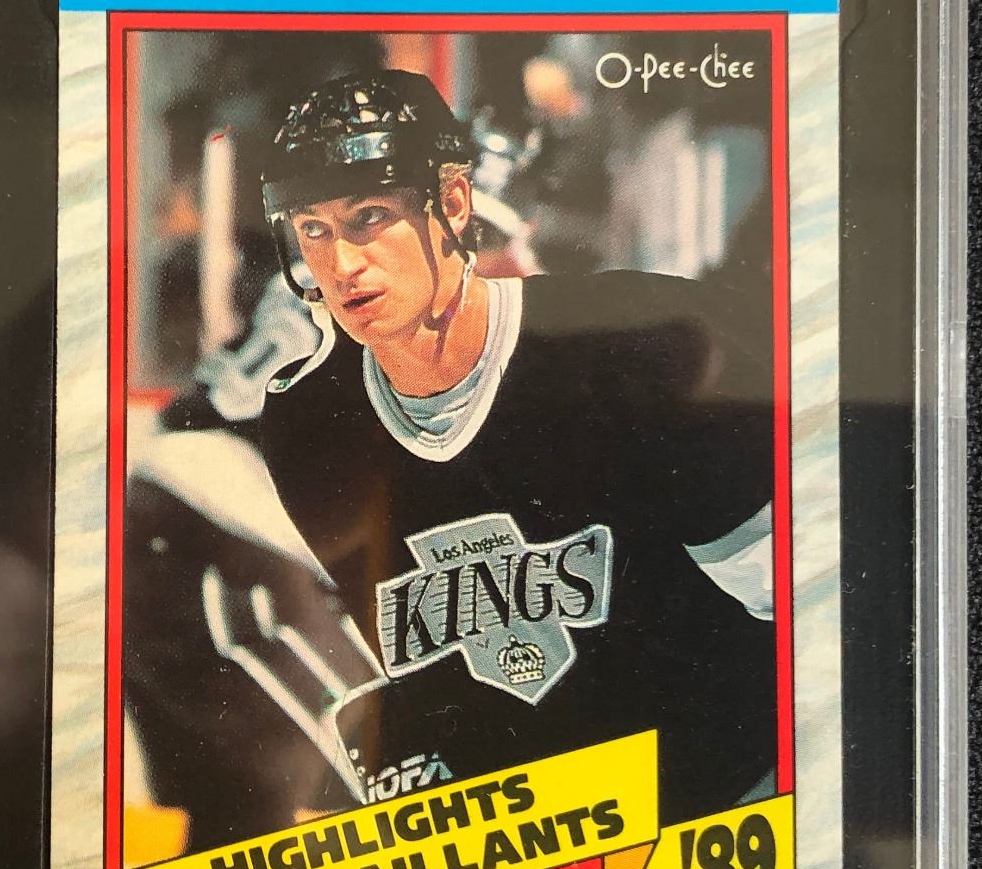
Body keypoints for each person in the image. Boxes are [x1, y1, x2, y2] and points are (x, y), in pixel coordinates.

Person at [255, 69, 781, 825]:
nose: (342, 264)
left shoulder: (637, 343)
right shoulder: (310, 422)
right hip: (538, 845)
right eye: (314, 230)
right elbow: (430, 682)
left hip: (720, 819)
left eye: (369, 216)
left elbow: (807, 619)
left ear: (453, 205)